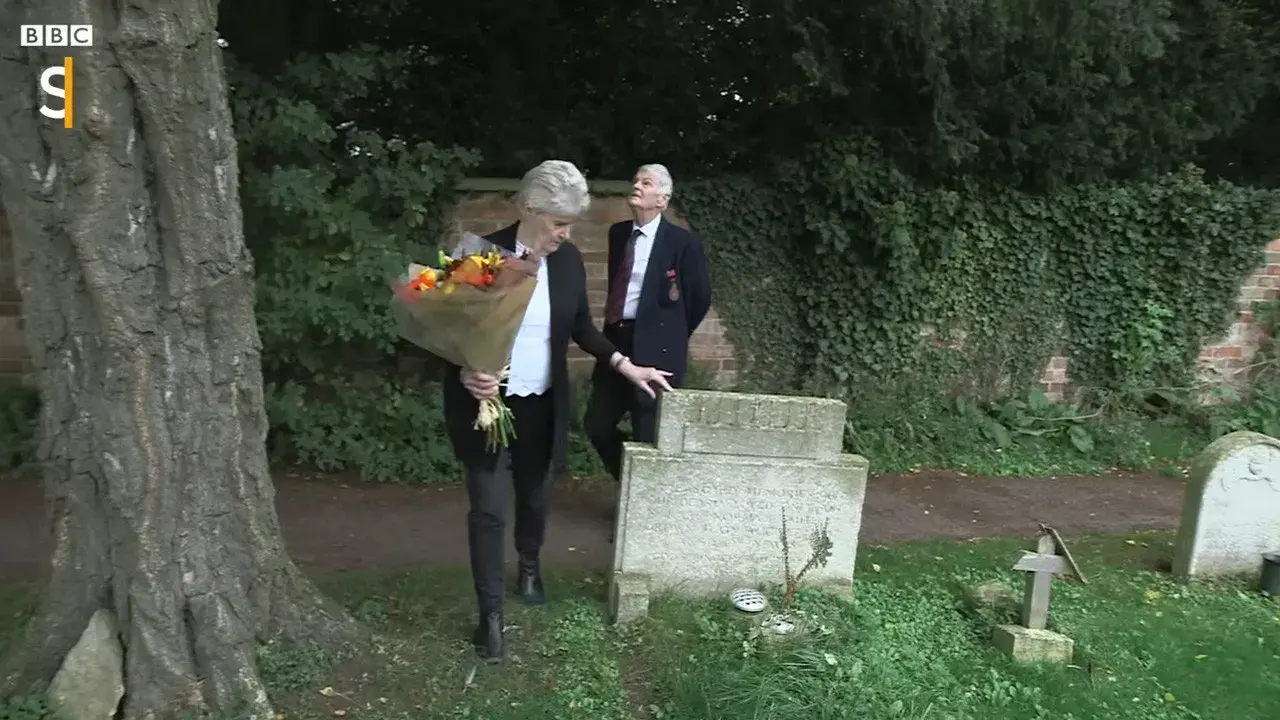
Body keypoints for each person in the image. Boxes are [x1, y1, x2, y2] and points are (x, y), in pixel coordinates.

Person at [442, 160, 673, 663]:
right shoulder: (479, 256)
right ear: (529, 209)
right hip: (486, 407)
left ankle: (529, 564)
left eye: (571, 224)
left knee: (534, 495)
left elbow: (582, 327)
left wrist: (625, 364)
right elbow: (446, 332)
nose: (566, 234)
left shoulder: (566, 262)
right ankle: (490, 617)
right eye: (558, 223)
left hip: (542, 404)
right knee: (487, 509)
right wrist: (465, 371)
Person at [584, 164, 712, 481]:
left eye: (647, 182)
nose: (637, 186)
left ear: (662, 200)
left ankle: (643, 498)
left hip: (658, 348)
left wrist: (671, 334)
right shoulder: (618, 234)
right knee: (597, 425)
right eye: (636, 180)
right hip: (616, 342)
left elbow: (699, 298)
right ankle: (632, 482)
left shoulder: (683, 243)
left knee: (647, 435)